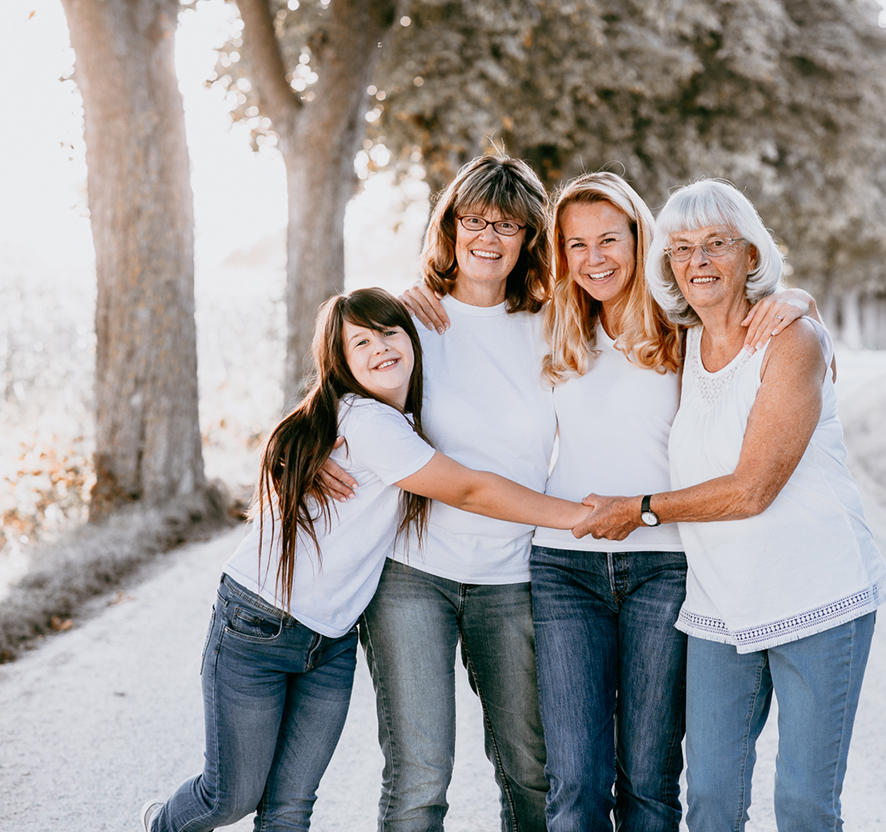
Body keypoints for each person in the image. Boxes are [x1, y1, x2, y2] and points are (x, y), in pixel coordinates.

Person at [406, 170, 823, 832]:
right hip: (563, 568)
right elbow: (469, 315)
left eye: (609, 239)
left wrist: (797, 299)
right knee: (574, 780)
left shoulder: (682, 327)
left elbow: (765, 321)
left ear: (641, 239)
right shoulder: (551, 325)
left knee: (651, 778)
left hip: (665, 567)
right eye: (575, 245)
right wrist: (412, 294)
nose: (593, 258)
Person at [139, 288, 587, 832]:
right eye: (360, 342)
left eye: (389, 333)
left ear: (413, 340)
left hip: (329, 640)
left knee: (289, 807)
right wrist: (582, 515)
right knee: (227, 798)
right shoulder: (365, 421)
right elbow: (469, 490)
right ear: (340, 362)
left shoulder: (391, 424)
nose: (380, 347)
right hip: (257, 624)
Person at [573, 179, 886, 832]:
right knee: (713, 803)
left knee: (805, 805)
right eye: (683, 248)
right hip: (721, 607)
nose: (699, 261)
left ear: (751, 255)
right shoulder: (679, 344)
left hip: (817, 595)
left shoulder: (790, 339)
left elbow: (754, 488)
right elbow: (591, 294)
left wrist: (640, 508)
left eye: (717, 244)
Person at [352, 155, 555, 832]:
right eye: (474, 220)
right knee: (419, 779)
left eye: (509, 225)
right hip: (414, 579)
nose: (488, 238)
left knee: (532, 769)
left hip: (515, 580)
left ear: (530, 239)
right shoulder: (409, 319)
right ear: (451, 225)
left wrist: (791, 299)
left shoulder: (554, 323)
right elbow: (339, 402)